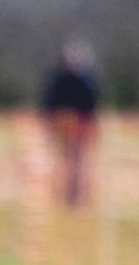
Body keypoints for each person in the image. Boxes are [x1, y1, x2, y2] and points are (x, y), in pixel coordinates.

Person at [43, 42, 100, 207]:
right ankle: (65, 194)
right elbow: (50, 103)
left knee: (77, 161)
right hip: (64, 124)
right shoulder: (60, 79)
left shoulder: (84, 80)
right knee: (66, 161)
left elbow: (91, 104)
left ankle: (75, 194)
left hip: (79, 125)